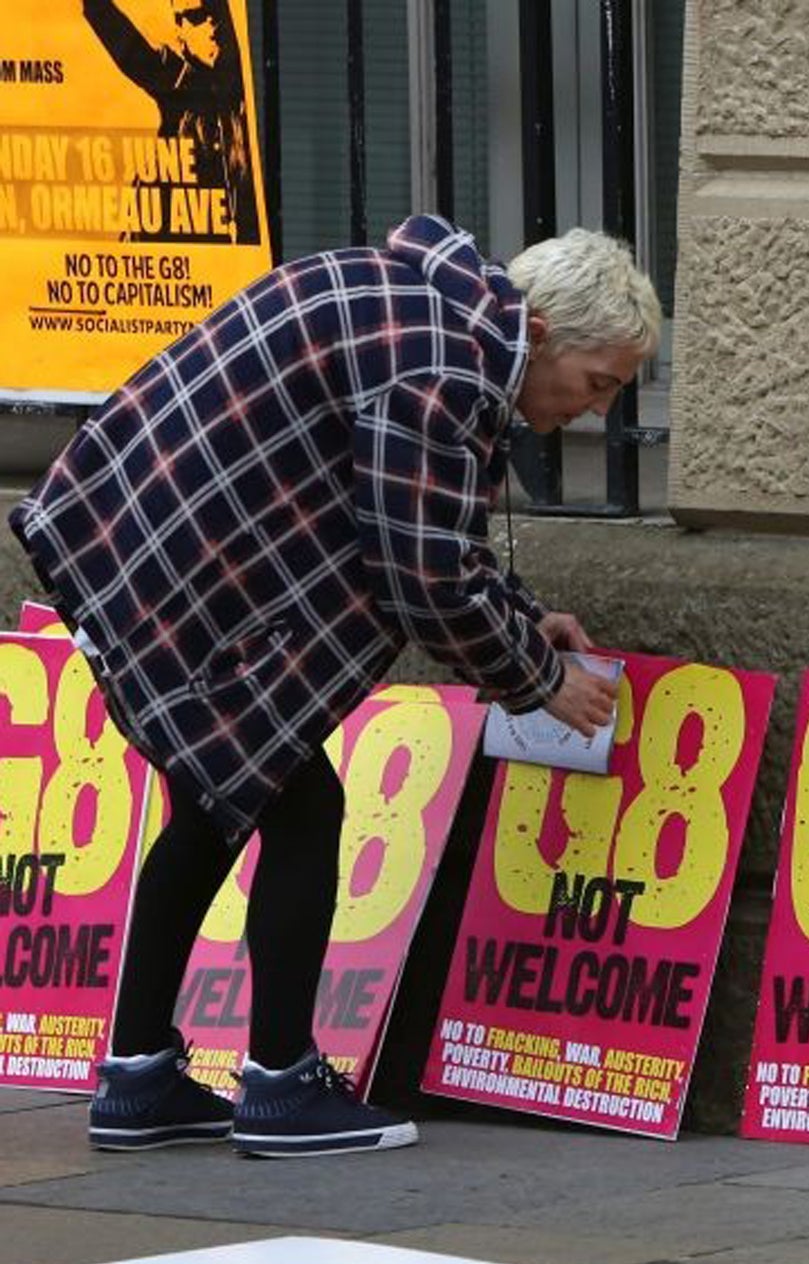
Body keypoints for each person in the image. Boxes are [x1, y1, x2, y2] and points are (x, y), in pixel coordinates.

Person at [9, 214, 658, 1156]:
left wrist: (521, 617)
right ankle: (279, 1087)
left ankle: (139, 1076)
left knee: (215, 799)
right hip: (174, 560)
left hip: (149, 540)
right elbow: (425, 572)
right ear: (545, 331)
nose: (595, 409)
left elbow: (421, 525)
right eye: (598, 383)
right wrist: (536, 679)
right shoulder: (447, 364)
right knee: (300, 804)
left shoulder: (434, 319)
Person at [83, 0, 260, 245]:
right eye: (197, 17)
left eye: (217, 14)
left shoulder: (251, 94)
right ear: (181, 32)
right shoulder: (176, 82)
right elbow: (125, 42)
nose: (212, 25)